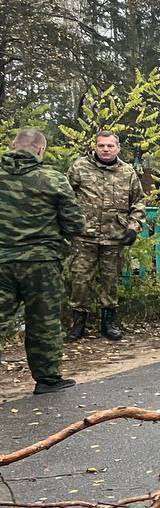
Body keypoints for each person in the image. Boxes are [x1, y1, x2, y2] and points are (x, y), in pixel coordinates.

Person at [0, 128, 85, 394]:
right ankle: (47, 379)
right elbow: (75, 223)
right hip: (42, 262)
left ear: (12, 147)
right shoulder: (53, 179)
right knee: (43, 321)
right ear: (40, 149)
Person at [66, 131, 146, 341]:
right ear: (95, 147)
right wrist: (69, 223)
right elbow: (65, 197)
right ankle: (78, 324)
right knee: (80, 281)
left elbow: (139, 201)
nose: (105, 149)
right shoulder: (79, 167)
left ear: (118, 148)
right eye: (101, 145)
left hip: (114, 236)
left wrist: (133, 227)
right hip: (84, 236)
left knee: (110, 282)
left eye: (110, 146)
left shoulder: (127, 172)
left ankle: (108, 323)